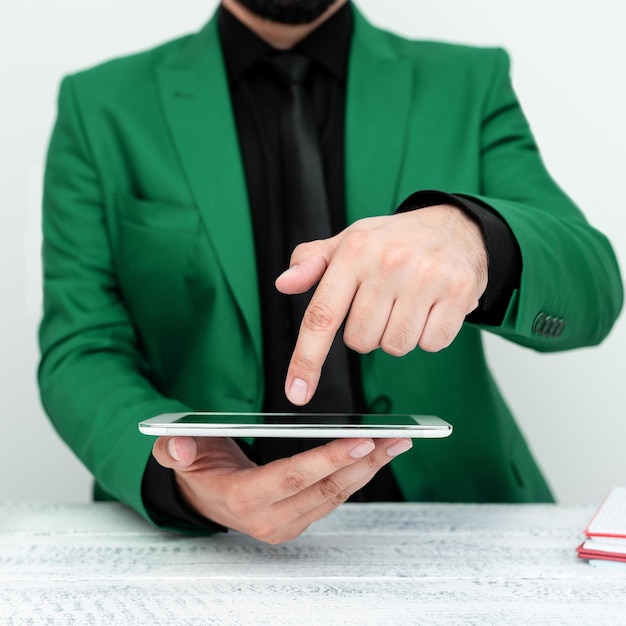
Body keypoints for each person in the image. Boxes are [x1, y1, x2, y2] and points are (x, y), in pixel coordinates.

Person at [39, 0, 622, 544]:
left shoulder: (469, 81)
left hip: (453, 521)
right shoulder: (101, 105)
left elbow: (593, 289)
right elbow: (82, 345)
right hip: (208, 538)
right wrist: (187, 474)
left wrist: (475, 237)